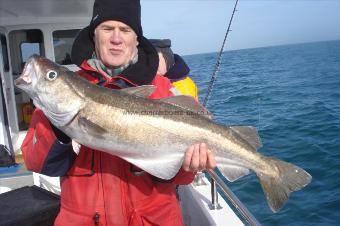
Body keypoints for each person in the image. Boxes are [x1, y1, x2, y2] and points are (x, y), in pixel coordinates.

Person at [21, 0, 216, 225]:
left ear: (136, 39)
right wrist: (62, 131)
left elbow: (180, 176)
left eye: (125, 30)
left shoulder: (162, 89)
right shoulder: (68, 91)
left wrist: (190, 166)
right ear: (94, 35)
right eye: (107, 28)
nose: (116, 38)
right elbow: (39, 163)